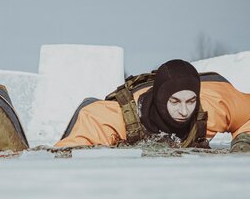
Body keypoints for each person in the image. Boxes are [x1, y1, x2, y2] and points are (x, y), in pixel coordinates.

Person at [55, 59, 250, 152]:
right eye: (174, 102)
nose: (183, 111)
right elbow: (68, 155)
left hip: (213, 85)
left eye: (190, 102)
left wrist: (244, 139)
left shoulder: (215, 105)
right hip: (96, 109)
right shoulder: (117, 118)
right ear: (161, 99)